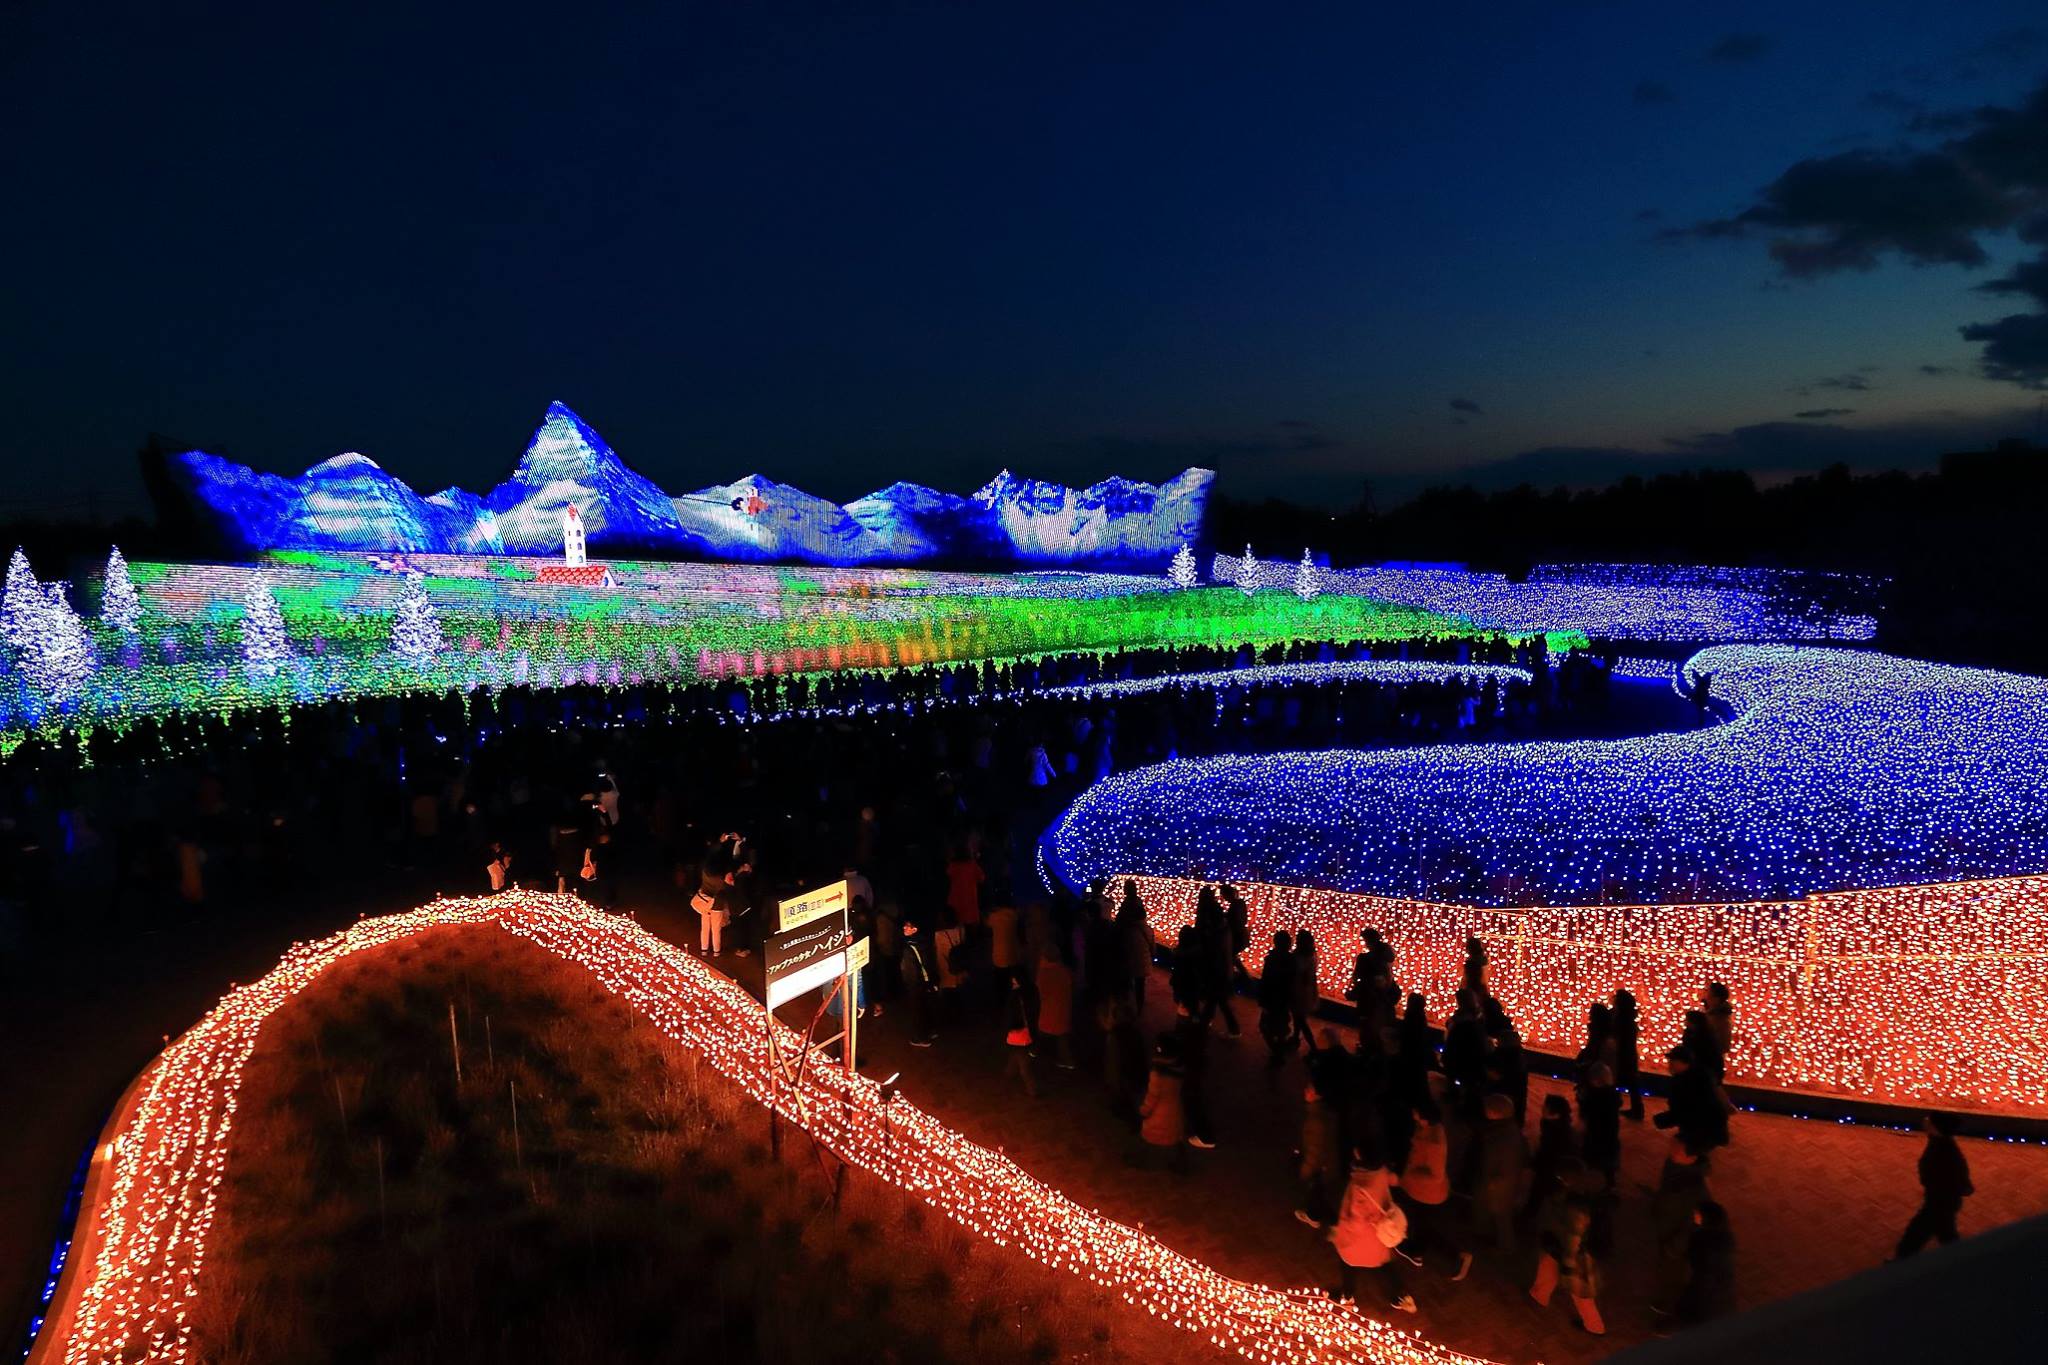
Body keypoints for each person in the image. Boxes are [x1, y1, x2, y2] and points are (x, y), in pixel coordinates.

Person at [1329, 1155, 1417, 1314]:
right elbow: (1394, 1180)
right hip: (1379, 1234)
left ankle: (1347, 1296)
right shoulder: (1381, 1172)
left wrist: (1338, 1232)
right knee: (1383, 1264)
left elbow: (1357, 1222)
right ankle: (1401, 1296)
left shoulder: (1360, 1187)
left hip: (1360, 1238)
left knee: (1348, 1262)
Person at [1397, 1097, 1471, 1279]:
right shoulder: (1429, 1128)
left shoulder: (1434, 1142)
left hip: (1425, 1195)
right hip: (1419, 1192)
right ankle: (1417, 1251)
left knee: (1425, 1229)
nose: (1413, 1114)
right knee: (1422, 1225)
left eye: (1416, 1112)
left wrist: (1410, 1175)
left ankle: (1453, 1257)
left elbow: (1435, 1175)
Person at [1528, 1162, 1606, 1336]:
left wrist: (1567, 1263)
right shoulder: (1568, 1197)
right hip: (1557, 1246)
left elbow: (1574, 1238)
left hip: (1572, 1255)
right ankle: (1538, 1296)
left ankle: (1595, 1327)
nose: (1557, 1180)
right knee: (1547, 1271)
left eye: (1560, 1178)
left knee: (1581, 1294)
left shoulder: (1576, 1207)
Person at [1650, 1134, 1713, 1320]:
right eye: (1672, 1146)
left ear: (1692, 1156)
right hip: (1667, 1231)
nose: (1672, 1152)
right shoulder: (1675, 1166)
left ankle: (1669, 1309)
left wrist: (1674, 1247)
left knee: (1673, 1275)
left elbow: (1693, 1226)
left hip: (1676, 1243)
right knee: (1667, 1272)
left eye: (1677, 1150)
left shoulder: (1696, 1191)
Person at [1894, 1112, 1973, 1258]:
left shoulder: (1944, 1151)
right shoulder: (1941, 1142)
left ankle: (1901, 1262)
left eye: (1930, 1120)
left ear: (1936, 1128)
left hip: (1939, 1202)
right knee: (1945, 1234)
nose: (1925, 1120)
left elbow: (1954, 1175)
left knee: (1917, 1233)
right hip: (1943, 1201)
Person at [1471, 1092, 1527, 1252]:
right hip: (1497, 1183)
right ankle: (1493, 1240)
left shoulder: (1504, 1136)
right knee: (1498, 1215)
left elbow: (1505, 1162)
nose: (1485, 1111)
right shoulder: (1506, 1129)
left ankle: (1506, 1247)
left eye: (1488, 1109)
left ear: (1496, 1112)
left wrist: (1493, 1183)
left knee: (1501, 1217)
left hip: (1499, 1185)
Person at [1654, 1045, 1730, 1153]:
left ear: (1684, 1062)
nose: (1669, 1064)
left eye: (1673, 1061)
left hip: (1705, 1129)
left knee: (1686, 1156)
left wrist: (1663, 1120)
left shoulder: (1693, 1081)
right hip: (1702, 1126)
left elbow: (1690, 1110)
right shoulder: (1690, 1075)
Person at [1678, 1200, 1736, 1325]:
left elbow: (1695, 1260)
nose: (1694, 1216)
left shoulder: (1700, 1238)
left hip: (1705, 1284)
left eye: (1697, 1214)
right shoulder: (1725, 1236)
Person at [1294, 1082, 1343, 1229]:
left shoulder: (1316, 1119)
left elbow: (1316, 1149)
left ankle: (1318, 1218)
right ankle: (1321, 1218)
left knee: (1316, 1193)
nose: (1306, 1091)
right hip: (1326, 1167)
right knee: (1319, 1195)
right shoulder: (1322, 1113)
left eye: (1309, 1089)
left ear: (1317, 1094)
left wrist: (1306, 1170)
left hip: (1319, 1168)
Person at [1134, 1036, 1188, 1171]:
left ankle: (1141, 1160)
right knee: (1175, 1137)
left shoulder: (1158, 1074)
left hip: (1159, 1114)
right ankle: (1180, 1164)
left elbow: (1152, 1097)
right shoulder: (1180, 1068)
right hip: (1175, 1110)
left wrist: (1144, 1111)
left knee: (1147, 1136)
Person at [1524, 1093, 1577, 1222]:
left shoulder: (1559, 1134)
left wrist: (1537, 1163)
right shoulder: (1550, 1123)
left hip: (1552, 1168)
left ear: (1556, 1114)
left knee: (1539, 1192)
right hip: (1548, 1165)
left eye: (1545, 1108)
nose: (1542, 1109)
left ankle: (1531, 1218)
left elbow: (1550, 1154)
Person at [1579, 1064, 1622, 1189]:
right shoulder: (1613, 1094)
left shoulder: (1595, 1096)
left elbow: (1588, 1111)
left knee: (1594, 1153)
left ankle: (1586, 1176)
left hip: (1596, 1131)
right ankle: (1610, 1181)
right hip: (1610, 1132)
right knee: (1609, 1157)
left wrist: (1583, 1101)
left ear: (1595, 1080)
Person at [1036, 939, 1077, 1069]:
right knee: (1062, 1036)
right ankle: (1068, 1060)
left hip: (1047, 1012)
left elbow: (1040, 994)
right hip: (1063, 1011)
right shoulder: (1065, 971)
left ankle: (1034, 1053)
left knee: (1041, 1034)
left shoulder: (1043, 974)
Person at [1257, 930, 1297, 1065]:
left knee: (1265, 1026)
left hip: (1272, 999)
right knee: (1280, 1028)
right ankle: (1278, 1052)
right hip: (1283, 1000)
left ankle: (1277, 1052)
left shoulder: (1272, 959)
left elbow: (1266, 980)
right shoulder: (1291, 961)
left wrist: (1262, 998)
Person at [899, 920, 938, 1047]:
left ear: (914, 929)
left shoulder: (909, 947)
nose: (904, 927)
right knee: (927, 1008)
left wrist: (909, 984)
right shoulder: (924, 942)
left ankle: (921, 1038)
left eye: (908, 926)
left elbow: (910, 970)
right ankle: (931, 1031)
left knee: (917, 1011)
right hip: (927, 981)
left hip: (916, 984)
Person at [1611, 988, 1644, 1120]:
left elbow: (1619, 1037)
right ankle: (1636, 1110)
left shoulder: (1622, 1020)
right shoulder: (1628, 1017)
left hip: (1623, 1055)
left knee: (1622, 1081)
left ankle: (1615, 1106)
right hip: (1628, 1055)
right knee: (1632, 1084)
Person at [1002, 978, 1037, 1098]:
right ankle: (1030, 1089)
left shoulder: (1017, 999)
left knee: (1020, 1062)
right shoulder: (1018, 998)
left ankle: (1029, 1089)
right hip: (1019, 1038)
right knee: (1020, 1062)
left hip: (1020, 1038)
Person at [1289, 929, 1320, 1043]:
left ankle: (1313, 1047)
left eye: (1298, 939)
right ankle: (1296, 1037)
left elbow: (1302, 973)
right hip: (1305, 990)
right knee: (1298, 1018)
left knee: (1300, 1019)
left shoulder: (1301, 956)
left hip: (1300, 991)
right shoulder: (1311, 955)